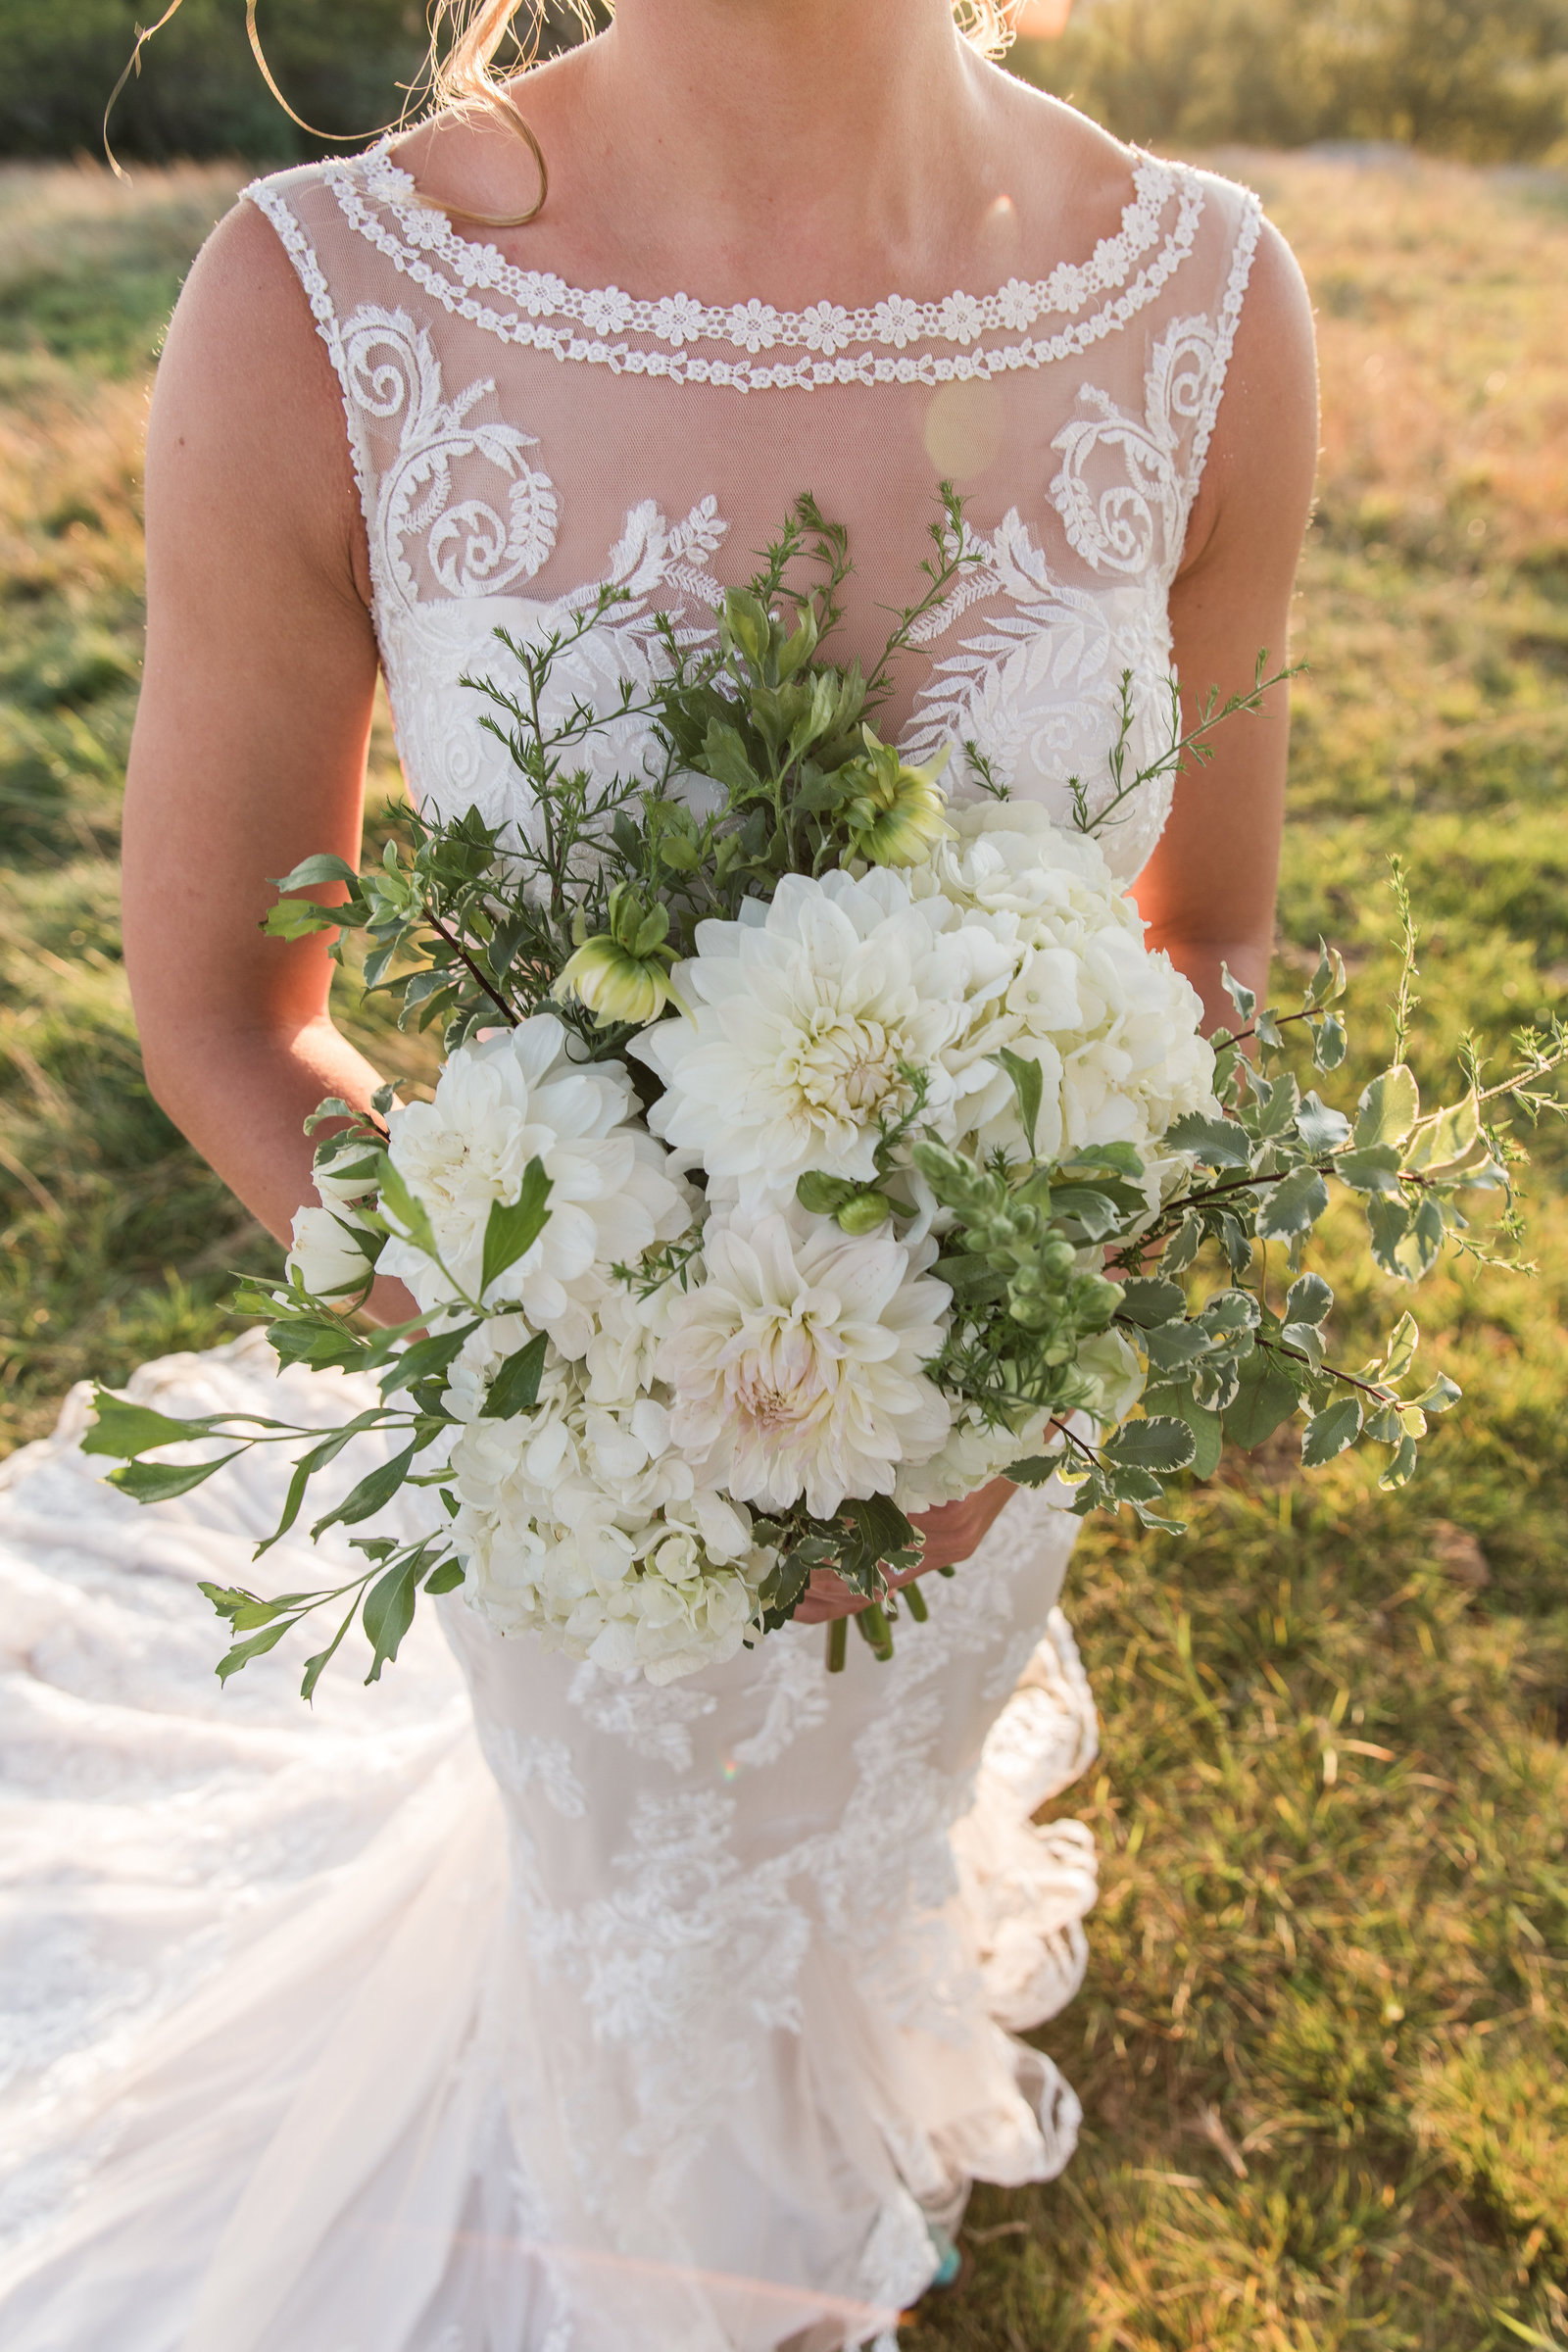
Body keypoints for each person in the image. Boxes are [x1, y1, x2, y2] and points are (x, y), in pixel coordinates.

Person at [0, 3, 1317, 2345]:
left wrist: (1024, 1355)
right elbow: (226, 1007)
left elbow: (1195, 936)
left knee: (849, 1859)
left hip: (979, 1450)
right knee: (639, 1951)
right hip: (580, 1474)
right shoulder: (324, 299)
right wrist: (604, 1399)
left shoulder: (1207, 294)